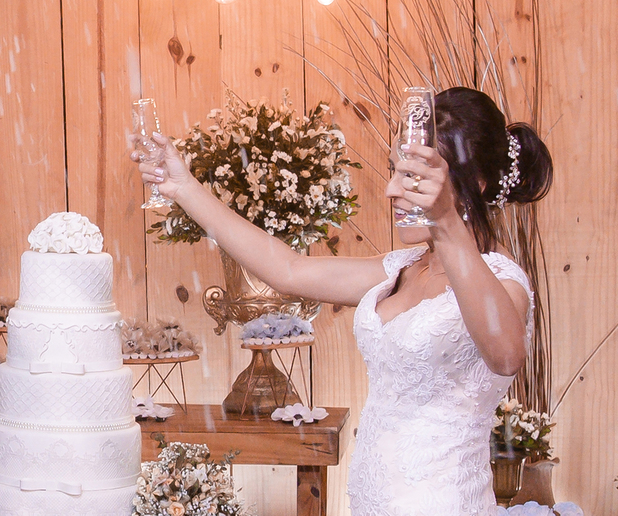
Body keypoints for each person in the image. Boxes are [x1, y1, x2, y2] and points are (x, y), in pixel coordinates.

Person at [132, 87, 552, 514]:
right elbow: (288, 270)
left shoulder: (504, 280)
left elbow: (505, 356)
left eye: (413, 177)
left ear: (475, 184)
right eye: (395, 171)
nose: (391, 190)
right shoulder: (403, 267)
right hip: (371, 501)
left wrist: (445, 222)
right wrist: (182, 187)